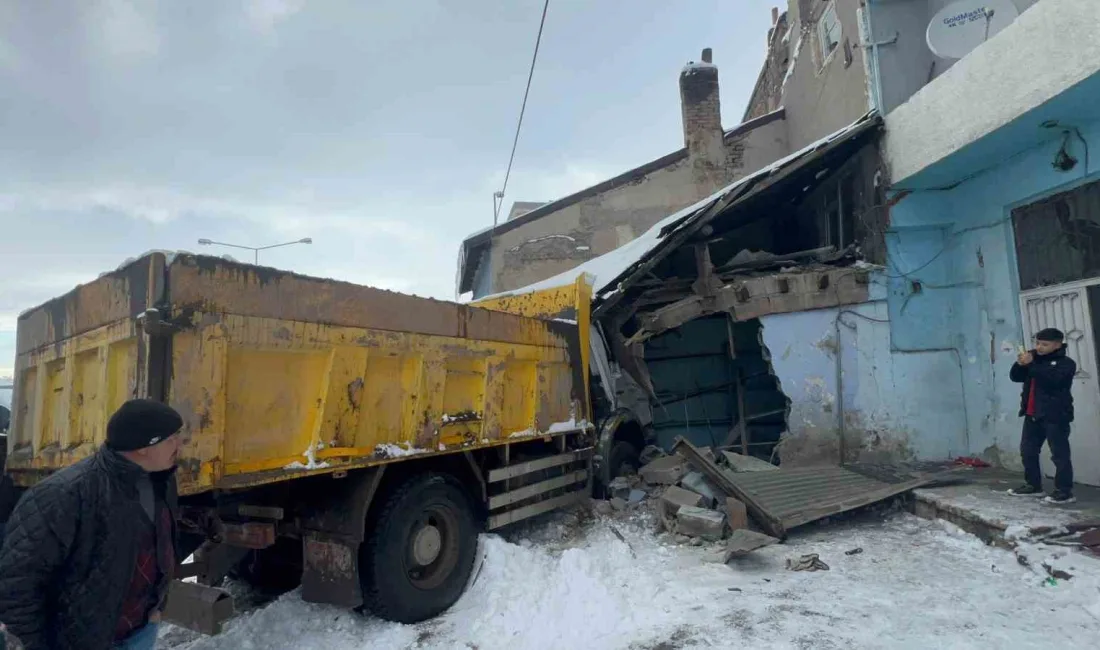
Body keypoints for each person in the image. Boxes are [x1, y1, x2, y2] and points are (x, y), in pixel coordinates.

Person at [0, 399, 184, 650]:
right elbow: (18, 584)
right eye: (172, 438)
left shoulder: (161, 481)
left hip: (141, 633)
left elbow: (158, 548)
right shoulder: (64, 495)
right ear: (144, 446)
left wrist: (155, 608)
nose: (180, 444)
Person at [1008, 328, 1077, 504]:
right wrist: (1020, 364)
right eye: (1037, 343)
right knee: (1028, 451)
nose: (1039, 347)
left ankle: (1064, 490)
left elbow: (1053, 381)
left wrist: (1031, 364)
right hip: (1032, 414)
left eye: (1044, 344)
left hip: (1055, 415)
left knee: (1059, 454)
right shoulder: (1035, 360)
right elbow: (1016, 377)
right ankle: (1033, 485)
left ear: (1057, 344)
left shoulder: (1066, 363)